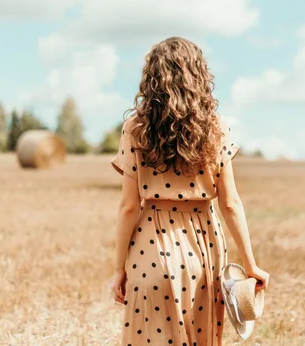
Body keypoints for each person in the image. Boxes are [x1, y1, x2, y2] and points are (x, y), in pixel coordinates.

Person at [109, 36, 270, 346]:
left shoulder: (135, 129)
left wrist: (119, 270)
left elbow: (129, 207)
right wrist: (250, 266)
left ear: (151, 81)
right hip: (204, 246)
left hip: (150, 247)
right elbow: (231, 204)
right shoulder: (216, 127)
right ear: (199, 76)